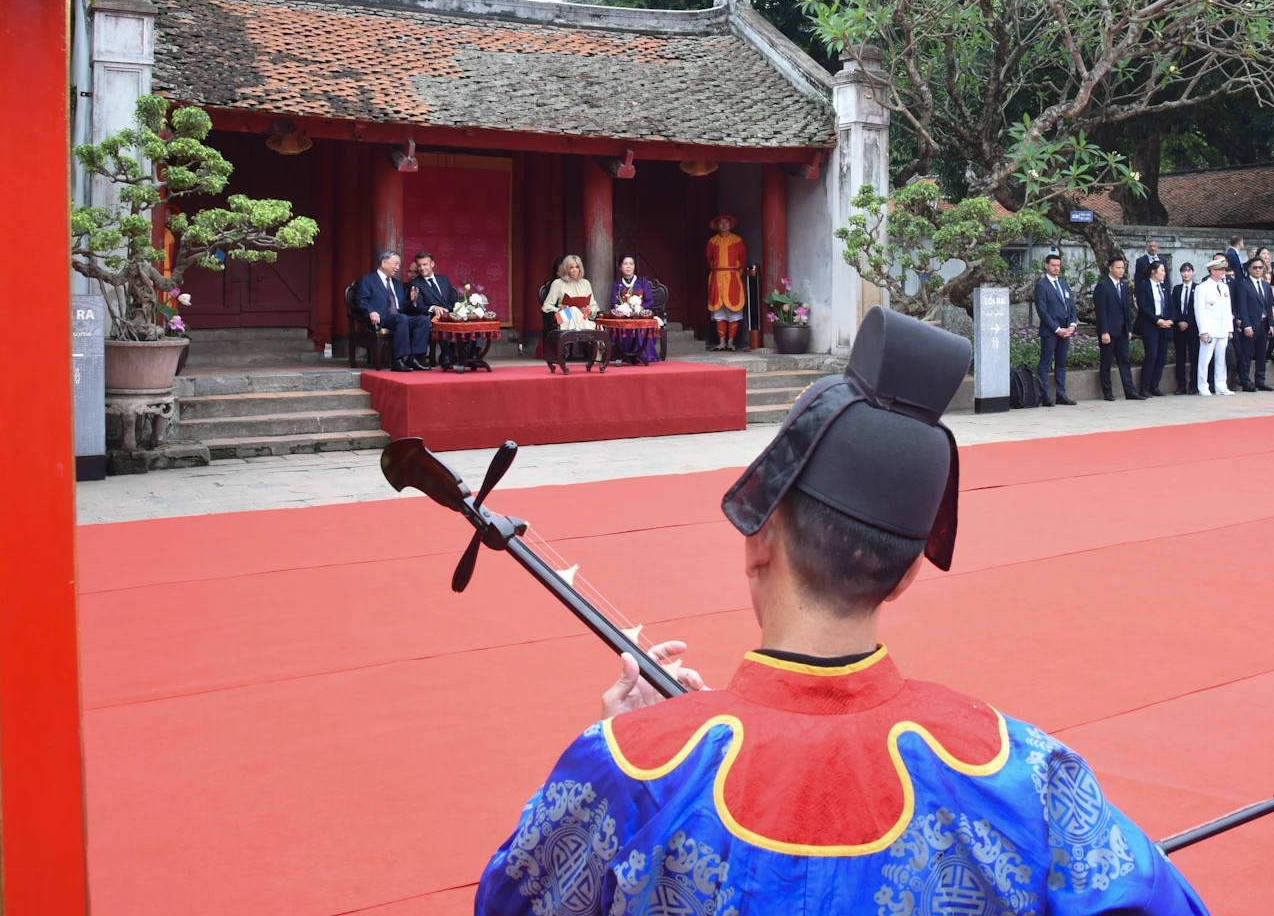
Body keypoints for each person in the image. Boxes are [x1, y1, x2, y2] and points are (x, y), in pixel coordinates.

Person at [476, 307, 1212, 916]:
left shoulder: (627, 768)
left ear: (759, 538)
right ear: (906, 575)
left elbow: (507, 903)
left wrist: (639, 731)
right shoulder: (1027, 772)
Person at [352, 250, 432, 372]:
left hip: (398, 318)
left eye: (399, 265)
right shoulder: (368, 280)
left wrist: (412, 301)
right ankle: (397, 360)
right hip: (380, 318)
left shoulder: (397, 284)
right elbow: (361, 301)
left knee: (423, 320)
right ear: (384, 263)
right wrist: (371, 311)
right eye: (395, 264)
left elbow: (402, 307)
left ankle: (414, 358)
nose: (397, 268)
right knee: (402, 318)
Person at [1033, 252, 1079, 406]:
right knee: (1045, 363)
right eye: (1053, 265)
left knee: (1061, 363)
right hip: (1050, 331)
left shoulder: (1064, 284)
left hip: (1066, 331)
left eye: (1058, 265)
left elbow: (1071, 307)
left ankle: (1061, 394)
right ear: (1046, 266)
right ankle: (1045, 395)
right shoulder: (1042, 285)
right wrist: (1057, 328)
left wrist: (1072, 325)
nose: (1056, 268)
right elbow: (1042, 311)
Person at [1094, 256, 1140, 401]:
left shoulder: (1124, 285)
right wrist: (1104, 331)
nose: (1121, 270)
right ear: (1110, 268)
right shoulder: (1103, 286)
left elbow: (1127, 309)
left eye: (1123, 268)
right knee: (1106, 362)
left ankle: (1130, 391)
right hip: (1109, 331)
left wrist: (1129, 328)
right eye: (1118, 268)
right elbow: (1101, 311)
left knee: (1124, 361)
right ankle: (1107, 392)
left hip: (1122, 330)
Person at [1233, 254, 1274, 391]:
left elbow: (1269, 306)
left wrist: (1271, 324)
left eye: (1260, 267)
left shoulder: (1265, 285)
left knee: (1261, 354)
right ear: (1249, 269)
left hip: (1264, 324)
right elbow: (1242, 307)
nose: (1258, 270)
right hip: (1250, 324)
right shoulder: (1243, 285)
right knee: (1247, 354)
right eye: (1255, 268)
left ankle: (1260, 381)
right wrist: (1246, 325)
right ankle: (1245, 381)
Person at [607, 254, 660, 365]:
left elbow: (649, 301)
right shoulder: (617, 285)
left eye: (631, 264)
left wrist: (639, 309)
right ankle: (626, 354)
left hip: (640, 315)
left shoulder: (642, 282)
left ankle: (643, 355)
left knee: (643, 326)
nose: (628, 266)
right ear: (620, 267)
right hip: (624, 317)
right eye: (625, 264)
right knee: (623, 326)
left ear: (634, 266)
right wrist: (623, 310)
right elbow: (613, 303)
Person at [706, 214, 748, 351]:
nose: (723, 225)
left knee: (734, 309)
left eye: (726, 222)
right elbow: (709, 260)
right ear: (717, 225)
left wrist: (734, 275)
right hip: (717, 277)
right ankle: (722, 342)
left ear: (730, 224)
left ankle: (731, 342)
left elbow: (742, 261)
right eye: (721, 223)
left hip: (732, 277)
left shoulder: (738, 240)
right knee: (719, 311)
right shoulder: (712, 241)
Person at [1194, 256, 1234, 396]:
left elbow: (1227, 309)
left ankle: (1220, 384)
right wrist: (1203, 331)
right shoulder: (1202, 288)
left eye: (1223, 269)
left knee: (1221, 358)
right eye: (1220, 269)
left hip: (1222, 328)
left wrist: (1229, 328)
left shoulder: (1224, 287)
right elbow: (1199, 311)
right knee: (1205, 359)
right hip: (1209, 329)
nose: (1223, 272)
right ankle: (1203, 385)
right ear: (1212, 271)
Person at [542, 253, 599, 348]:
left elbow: (594, 306)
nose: (575, 270)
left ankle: (581, 332)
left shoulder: (586, 283)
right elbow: (546, 306)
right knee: (573, 309)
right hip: (563, 316)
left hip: (583, 316)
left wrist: (588, 311)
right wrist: (559, 310)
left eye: (577, 267)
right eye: (571, 267)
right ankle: (589, 332)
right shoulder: (557, 283)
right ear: (566, 268)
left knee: (578, 312)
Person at [1137, 258, 1172, 397]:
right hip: (1150, 324)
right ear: (1153, 272)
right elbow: (1143, 307)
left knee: (1162, 357)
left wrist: (1170, 320)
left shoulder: (1164, 286)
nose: (1164, 273)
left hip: (1165, 325)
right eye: (1162, 270)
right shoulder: (1144, 285)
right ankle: (1144, 387)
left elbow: (1170, 306)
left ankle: (1154, 386)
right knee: (1151, 355)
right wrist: (1157, 320)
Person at [1172, 262, 1200, 395]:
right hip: (1179, 328)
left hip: (1193, 327)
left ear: (1193, 272)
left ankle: (1193, 385)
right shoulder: (1176, 289)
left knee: (1194, 357)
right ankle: (1181, 385)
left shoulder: (1198, 288)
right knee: (1180, 357)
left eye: (1189, 271)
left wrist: (1188, 322)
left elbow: (1198, 309)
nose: (1186, 273)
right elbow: (1174, 308)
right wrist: (1179, 321)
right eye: (1183, 271)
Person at [406, 252, 459, 321]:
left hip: (451, 318)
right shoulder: (415, 283)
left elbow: (452, 300)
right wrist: (433, 308)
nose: (422, 268)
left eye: (425, 264)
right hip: (432, 319)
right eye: (419, 265)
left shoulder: (444, 279)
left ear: (432, 264)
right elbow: (419, 306)